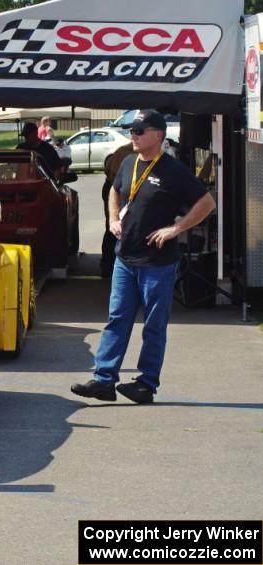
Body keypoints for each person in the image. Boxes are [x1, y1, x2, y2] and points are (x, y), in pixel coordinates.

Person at [71, 110, 216, 404]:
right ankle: (104, 381)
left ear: (158, 135)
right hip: (125, 259)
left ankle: (146, 384)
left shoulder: (173, 170)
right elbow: (114, 190)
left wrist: (175, 229)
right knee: (117, 319)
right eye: (132, 130)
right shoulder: (128, 162)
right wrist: (113, 218)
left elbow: (207, 203)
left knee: (153, 325)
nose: (133, 135)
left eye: (139, 130)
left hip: (158, 264)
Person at [100, 142, 136, 277]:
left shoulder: (121, 151)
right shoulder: (128, 154)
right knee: (115, 229)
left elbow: (107, 168)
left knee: (111, 229)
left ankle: (106, 265)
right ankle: (109, 265)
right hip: (117, 191)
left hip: (112, 188)